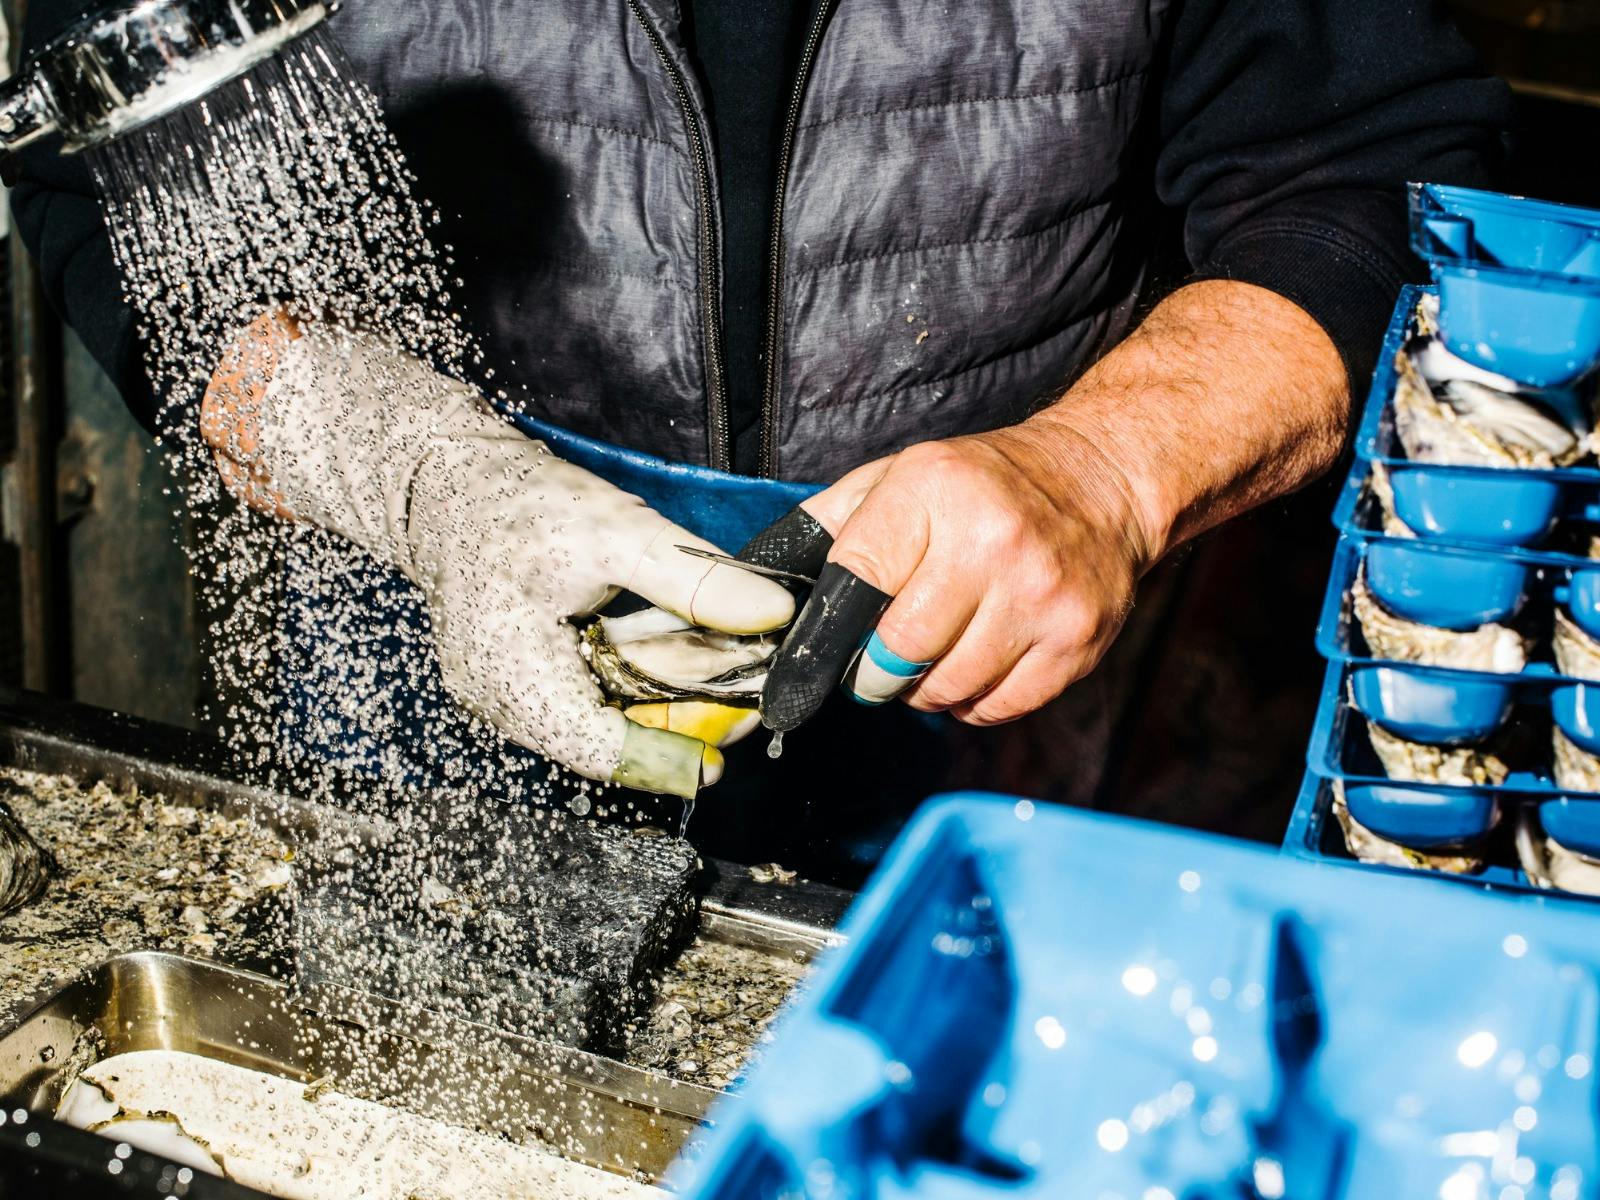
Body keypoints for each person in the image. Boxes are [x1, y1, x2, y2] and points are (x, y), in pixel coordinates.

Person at [12, 0, 1510, 878]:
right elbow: (103, 174)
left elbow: (1373, 178)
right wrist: (405, 467)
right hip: (433, 603)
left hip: (1000, 631)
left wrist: (1104, 472)